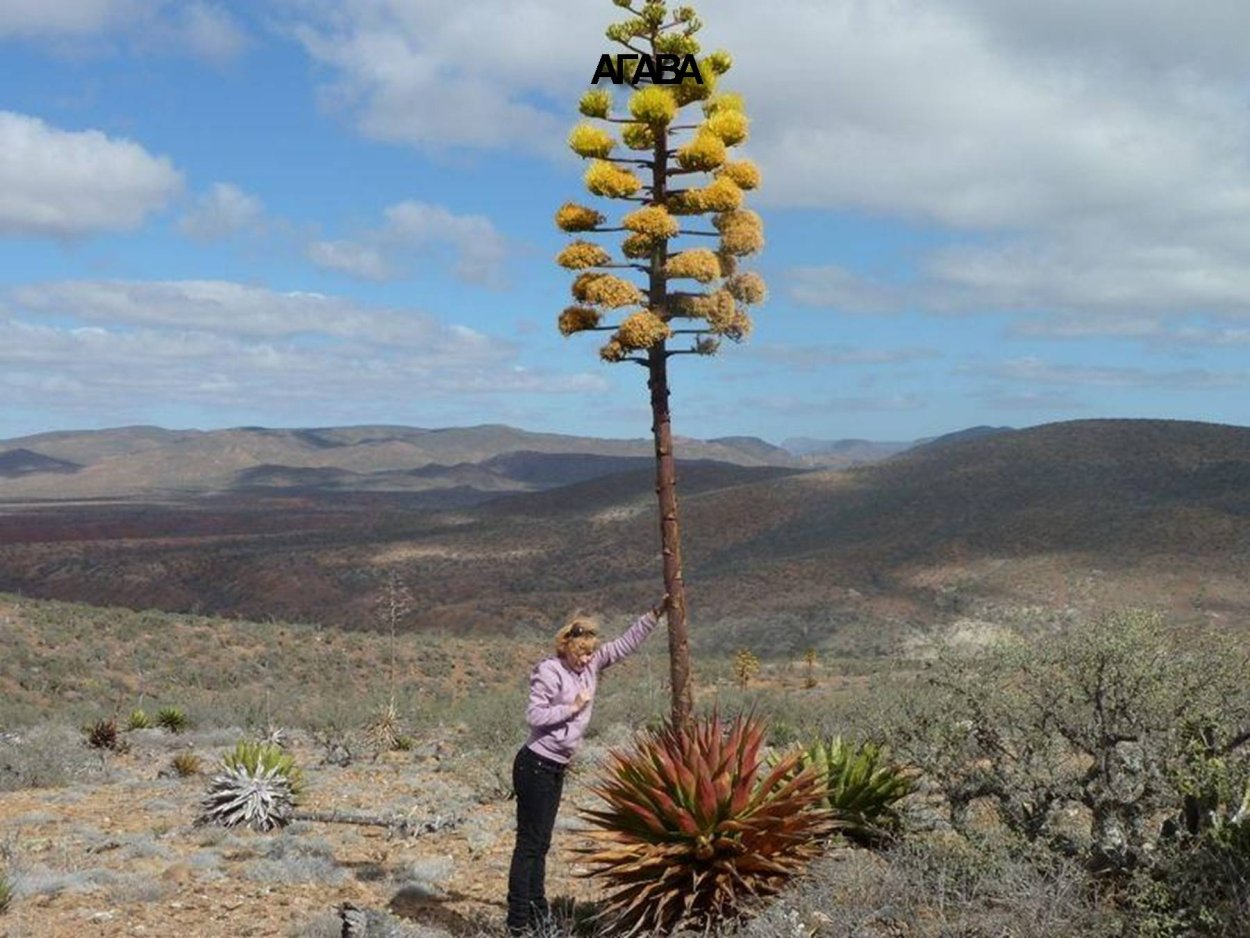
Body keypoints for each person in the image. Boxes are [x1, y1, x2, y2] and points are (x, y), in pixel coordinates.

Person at [505, 594, 670, 935]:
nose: (587, 658)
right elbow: (534, 714)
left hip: (555, 767)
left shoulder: (592, 664)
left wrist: (654, 614)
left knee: (543, 842)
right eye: (581, 651)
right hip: (535, 763)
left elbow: (624, 645)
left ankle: (538, 912)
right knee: (530, 844)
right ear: (565, 645)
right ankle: (518, 921)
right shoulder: (549, 670)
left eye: (591, 652)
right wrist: (572, 708)